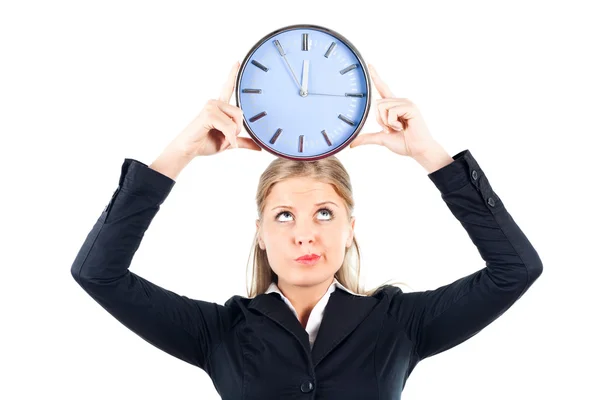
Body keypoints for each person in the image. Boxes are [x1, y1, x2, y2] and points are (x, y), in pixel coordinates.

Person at [70, 61, 543, 399]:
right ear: (260, 233)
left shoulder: (397, 323)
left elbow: (515, 270)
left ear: (350, 229)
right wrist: (180, 152)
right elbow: (98, 274)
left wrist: (430, 155)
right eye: (283, 216)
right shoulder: (219, 333)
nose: (304, 234)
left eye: (323, 214)